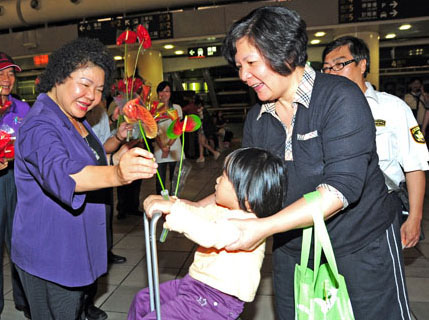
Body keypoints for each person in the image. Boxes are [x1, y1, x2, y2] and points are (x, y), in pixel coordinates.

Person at [210, 6, 410, 320]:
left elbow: (340, 188)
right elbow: (243, 186)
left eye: (251, 62)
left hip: (359, 243)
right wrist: (187, 208)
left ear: (285, 52)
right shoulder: (257, 119)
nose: (243, 76)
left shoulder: (340, 98)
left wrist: (264, 227)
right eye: (239, 66)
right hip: (294, 247)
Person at [11, 38, 157, 320]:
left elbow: (88, 159)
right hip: (52, 254)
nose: (91, 96)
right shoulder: (40, 124)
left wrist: (116, 158)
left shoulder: (75, 117)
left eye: (99, 89)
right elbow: (62, 173)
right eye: (85, 84)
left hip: (75, 248)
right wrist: (116, 174)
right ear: (58, 77)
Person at [129, 147, 287, 320]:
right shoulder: (223, 209)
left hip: (216, 300)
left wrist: (174, 210)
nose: (218, 180)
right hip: (195, 284)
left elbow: (210, 233)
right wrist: (173, 203)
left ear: (247, 197)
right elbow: (200, 214)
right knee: (144, 299)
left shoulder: (247, 226)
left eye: (225, 177)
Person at [322, 36, 429, 249]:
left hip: (381, 209)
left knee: (381, 278)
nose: (332, 72)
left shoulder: (392, 108)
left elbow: (414, 165)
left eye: (340, 65)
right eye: (326, 68)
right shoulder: (321, 112)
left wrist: (415, 218)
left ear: (362, 65)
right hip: (333, 212)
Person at [0, 52, 31, 319]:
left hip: (17, 180)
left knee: (20, 242)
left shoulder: (22, 109)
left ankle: (24, 299)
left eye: (11, 73)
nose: (7, 79)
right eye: (1, 73)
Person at [153, 81, 183, 195]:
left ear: (170, 93)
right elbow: (153, 130)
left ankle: (173, 205)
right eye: (161, 91)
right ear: (158, 93)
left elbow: (177, 129)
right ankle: (161, 204)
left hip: (174, 148)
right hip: (159, 149)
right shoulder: (154, 110)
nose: (164, 94)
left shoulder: (176, 108)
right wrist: (162, 147)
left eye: (167, 91)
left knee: (174, 180)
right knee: (159, 181)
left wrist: (168, 146)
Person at [196, 98, 220, 163]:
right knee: (200, 143)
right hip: (201, 129)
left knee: (203, 143)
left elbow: (203, 121)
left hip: (203, 129)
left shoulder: (203, 112)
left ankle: (215, 152)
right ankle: (201, 157)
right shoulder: (204, 111)